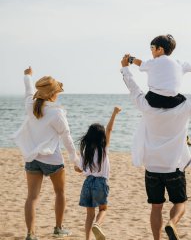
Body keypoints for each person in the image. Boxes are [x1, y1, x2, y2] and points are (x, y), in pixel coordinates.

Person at [120, 54, 191, 240]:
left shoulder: (146, 107)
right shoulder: (185, 108)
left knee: (156, 207)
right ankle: (172, 223)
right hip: (174, 166)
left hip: (152, 167)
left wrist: (126, 69)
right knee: (180, 204)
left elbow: (133, 88)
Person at [13, 66, 80, 240]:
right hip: (52, 160)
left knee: (32, 197)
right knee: (60, 193)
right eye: (56, 91)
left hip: (33, 158)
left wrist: (27, 76)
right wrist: (75, 159)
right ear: (52, 94)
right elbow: (67, 138)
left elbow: (28, 91)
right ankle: (58, 229)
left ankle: (31, 234)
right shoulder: (56, 113)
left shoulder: (30, 105)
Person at [129, 34, 191, 145]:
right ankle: (185, 134)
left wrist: (131, 59)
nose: (151, 51)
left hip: (153, 99)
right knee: (184, 111)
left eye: (152, 48)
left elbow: (140, 63)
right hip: (173, 101)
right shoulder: (179, 63)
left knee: (147, 107)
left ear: (160, 49)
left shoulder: (152, 63)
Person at [75, 106, 121, 240]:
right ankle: (98, 224)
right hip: (100, 182)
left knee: (89, 214)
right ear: (102, 137)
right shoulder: (103, 148)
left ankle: (87, 238)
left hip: (88, 183)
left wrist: (76, 168)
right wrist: (114, 113)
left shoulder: (86, 152)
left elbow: (80, 169)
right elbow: (109, 129)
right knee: (103, 210)